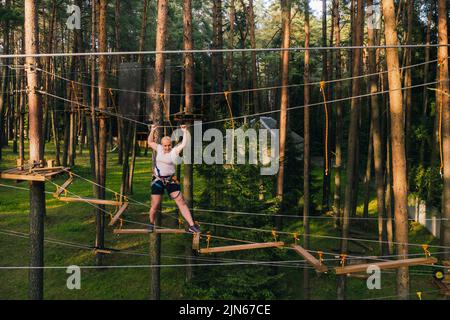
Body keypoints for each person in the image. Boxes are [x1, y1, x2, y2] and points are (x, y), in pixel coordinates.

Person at [147, 124, 200, 233]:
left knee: (181, 202)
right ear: (162, 145)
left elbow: (184, 144)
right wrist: (152, 130)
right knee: (155, 204)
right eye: (165, 145)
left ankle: (192, 225)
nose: (167, 147)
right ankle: (151, 223)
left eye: (169, 145)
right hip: (158, 180)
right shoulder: (159, 148)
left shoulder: (174, 151)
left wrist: (184, 131)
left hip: (171, 180)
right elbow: (150, 142)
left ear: (171, 144)